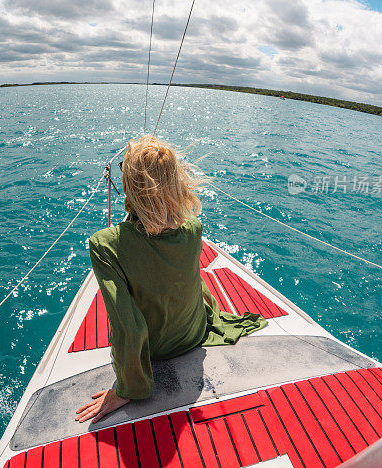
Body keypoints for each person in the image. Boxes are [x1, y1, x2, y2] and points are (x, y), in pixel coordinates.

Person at [75, 135, 265, 424]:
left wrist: (127, 388)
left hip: (156, 350)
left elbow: (128, 326)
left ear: (127, 187)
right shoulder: (193, 228)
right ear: (174, 183)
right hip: (193, 334)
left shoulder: (105, 245)